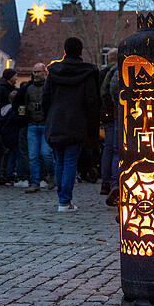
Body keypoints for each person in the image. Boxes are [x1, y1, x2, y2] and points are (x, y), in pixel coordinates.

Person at [42, 37, 101, 212]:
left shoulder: (54, 72)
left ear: (65, 50)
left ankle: (62, 199)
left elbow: (45, 98)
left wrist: (49, 117)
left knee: (59, 161)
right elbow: (92, 101)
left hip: (56, 121)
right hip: (77, 122)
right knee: (69, 161)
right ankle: (64, 200)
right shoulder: (87, 73)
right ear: (80, 51)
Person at [12, 62, 53, 193]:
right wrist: (23, 115)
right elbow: (19, 104)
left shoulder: (50, 87)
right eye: (34, 72)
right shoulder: (28, 88)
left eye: (38, 72)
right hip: (32, 124)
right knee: (33, 156)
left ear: (44, 72)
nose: (36, 74)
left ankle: (51, 175)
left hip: (45, 124)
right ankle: (34, 182)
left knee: (46, 154)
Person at [99, 48, 120, 196]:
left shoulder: (101, 73)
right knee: (117, 148)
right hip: (116, 113)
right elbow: (109, 92)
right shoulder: (118, 70)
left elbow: (102, 93)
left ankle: (106, 182)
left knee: (108, 148)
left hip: (106, 114)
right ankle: (114, 181)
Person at [0, 69, 19, 182]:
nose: (17, 78)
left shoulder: (9, 89)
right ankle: (6, 174)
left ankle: (6, 173)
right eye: (15, 76)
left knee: (9, 152)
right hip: (7, 125)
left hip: (6, 125)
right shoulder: (3, 90)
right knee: (8, 152)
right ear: (10, 77)